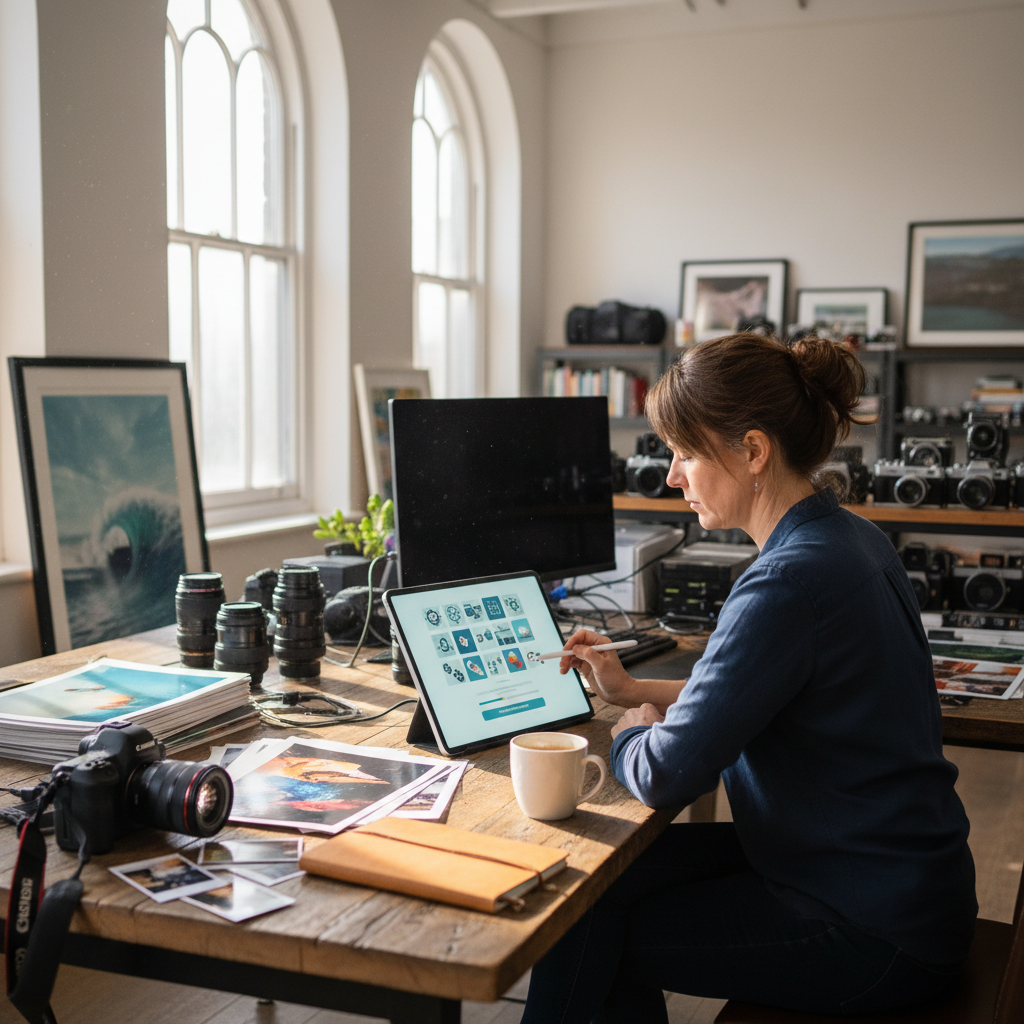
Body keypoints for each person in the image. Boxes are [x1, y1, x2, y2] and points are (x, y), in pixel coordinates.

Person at [522, 333, 976, 1023]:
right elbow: (765, 693)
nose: (672, 477)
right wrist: (635, 691)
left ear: (754, 451)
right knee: (591, 887)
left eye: (686, 453)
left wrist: (628, 733)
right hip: (892, 879)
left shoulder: (785, 582)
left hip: (869, 926)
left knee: (586, 924)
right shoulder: (851, 538)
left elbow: (666, 773)